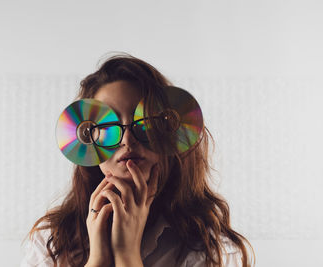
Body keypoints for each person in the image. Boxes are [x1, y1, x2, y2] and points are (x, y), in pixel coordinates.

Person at [20, 54, 254, 267]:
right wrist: (98, 260)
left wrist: (127, 255)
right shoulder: (51, 241)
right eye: (107, 125)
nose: (127, 139)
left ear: (168, 130)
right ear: (88, 139)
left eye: (143, 121)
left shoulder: (213, 247)